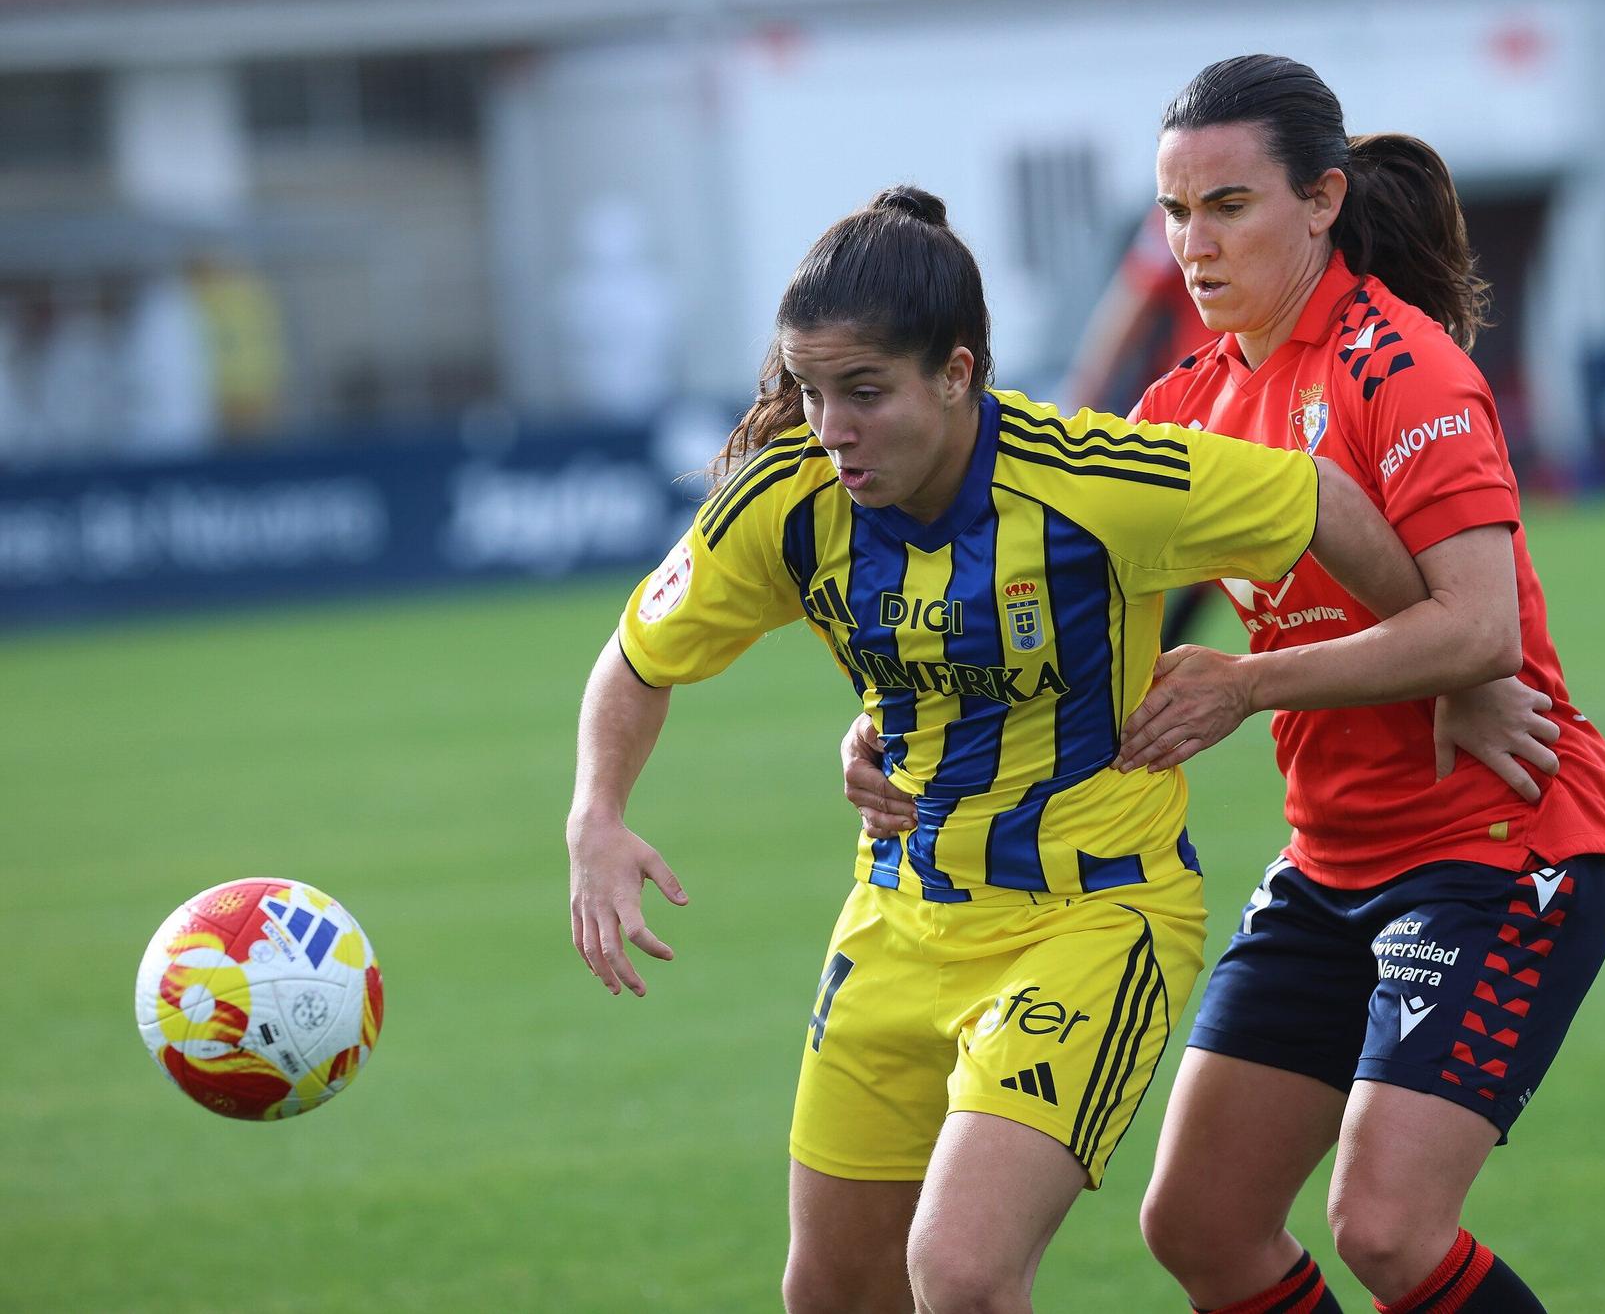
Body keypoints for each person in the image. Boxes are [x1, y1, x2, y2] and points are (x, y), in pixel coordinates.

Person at [564, 185, 1499, 1314]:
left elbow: (1318, 499)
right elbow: (638, 655)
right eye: (810, 393)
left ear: (957, 374)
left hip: (1091, 919)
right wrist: (596, 817)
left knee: (957, 1273)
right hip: (898, 921)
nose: (830, 429)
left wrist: (1448, 666)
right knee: (830, 1296)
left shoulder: (1094, 480)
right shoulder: (788, 502)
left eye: (864, 393)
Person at [843, 57, 1605, 1314]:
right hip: (1331, 863)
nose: (1191, 246)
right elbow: (1074, 631)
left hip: (1498, 843)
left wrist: (1251, 683)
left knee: (1385, 1225)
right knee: (1200, 1223)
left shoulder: (1401, 370)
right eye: (1171, 214)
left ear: (1320, 202)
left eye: (1227, 207)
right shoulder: (1183, 407)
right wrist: (898, 714)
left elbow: (1478, 631)